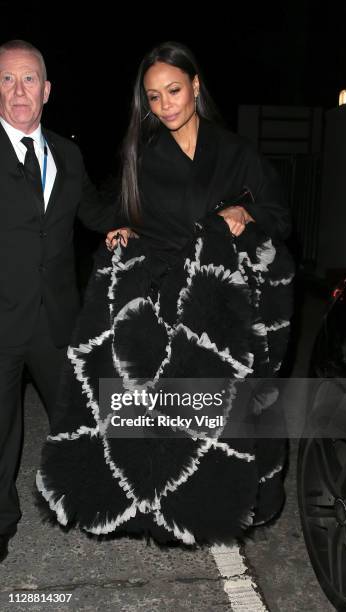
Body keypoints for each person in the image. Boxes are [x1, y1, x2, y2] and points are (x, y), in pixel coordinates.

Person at [37, 41, 294, 546]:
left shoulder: (237, 152)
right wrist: (123, 233)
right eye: (153, 97)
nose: (165, 105)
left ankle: (229, 503)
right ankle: (176, 510)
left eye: (173, 91)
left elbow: (281, 217)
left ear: (196, 86)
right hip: (167, 300)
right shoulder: (144, 154)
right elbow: (125, 214)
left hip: (225, 303)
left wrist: (247, 217)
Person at [0, 40, 118, 563]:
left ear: (47, 90)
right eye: (6, 79)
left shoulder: (66, 154)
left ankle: (87, 501)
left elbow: (95, 212)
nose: (17, 90)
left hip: (56, 322)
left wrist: (135, 217)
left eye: (28, 79)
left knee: (78, 418)